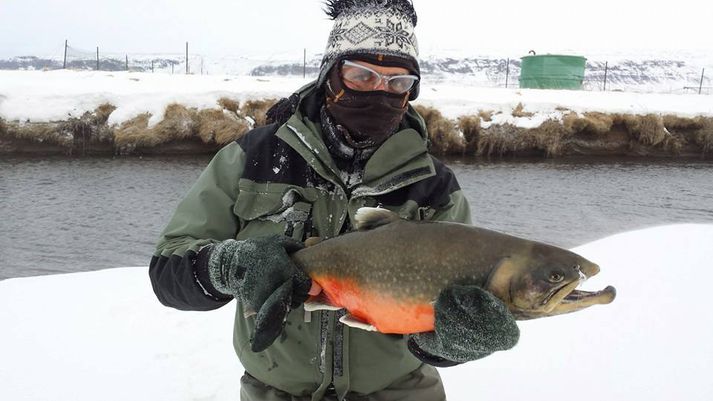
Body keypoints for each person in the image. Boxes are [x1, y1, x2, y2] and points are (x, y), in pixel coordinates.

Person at [149, 1, 519, 400]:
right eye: (362, 75)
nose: (381, 91)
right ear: (331, 75)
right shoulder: (252, 158)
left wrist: (453, 342)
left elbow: (444, 319)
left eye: (398, 83)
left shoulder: (435, 186)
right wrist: (227, 268)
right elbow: (168, 273)